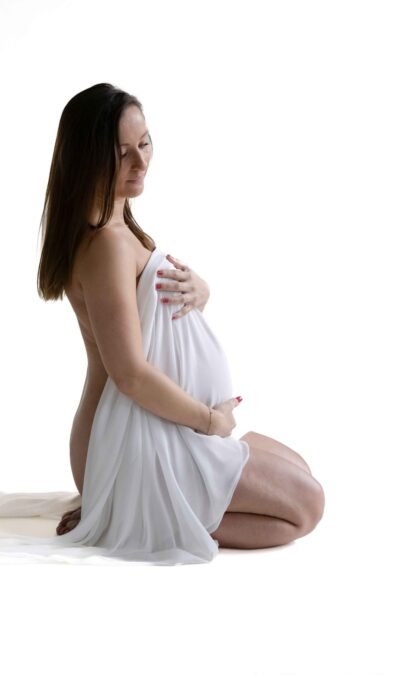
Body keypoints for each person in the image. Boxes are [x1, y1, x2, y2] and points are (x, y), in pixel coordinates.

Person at [37, 83, 324, 550]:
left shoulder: (119, 224)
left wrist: (201, 292)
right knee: (307, 505)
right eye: (122, 152)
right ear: (89, 157)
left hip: (158, 428)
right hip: (137, 439)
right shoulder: (106, 244)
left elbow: (150, 317)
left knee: (301, 474)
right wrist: (209, 421)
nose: (141, 162)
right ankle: (139, 512)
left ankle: (131, 506)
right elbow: (128, 373)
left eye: (144, 143)